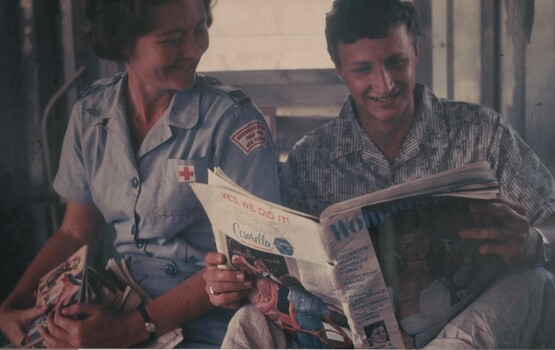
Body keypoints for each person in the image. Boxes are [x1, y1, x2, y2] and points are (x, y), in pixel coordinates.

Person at [204, 0, 555, 348]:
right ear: (339, 68)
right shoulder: (310, 160)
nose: (384, 84)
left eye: (396, 62)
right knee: (248, 322)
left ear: (416, 51)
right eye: (362, 69)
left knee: (535, 280)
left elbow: (549, 224)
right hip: (352, 338)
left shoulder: (483, 133)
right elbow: (285, 274)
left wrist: (532, 243)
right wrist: (235, 280)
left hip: (464, 329)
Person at [0, 0, 280, 348]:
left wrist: (128, 330)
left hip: (205, 321)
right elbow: (74, 232)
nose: (193, 50)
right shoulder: (90, 114)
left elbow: (250, 260)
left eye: (200, 29)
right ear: (124, 42)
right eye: (173, 38)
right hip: (112, 308)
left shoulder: (232, 121)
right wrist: (13, 304)